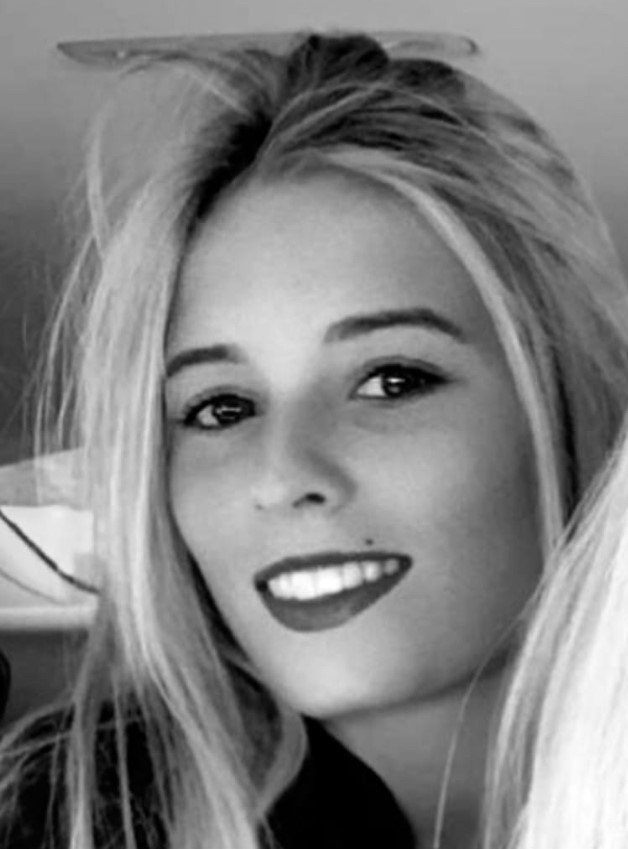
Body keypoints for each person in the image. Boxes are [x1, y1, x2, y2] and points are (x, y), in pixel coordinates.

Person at [1, 30, 628, 849]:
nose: (281, 471)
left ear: (571, 403)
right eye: (221, 407)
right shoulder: (68, 817)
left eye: (391, 380)